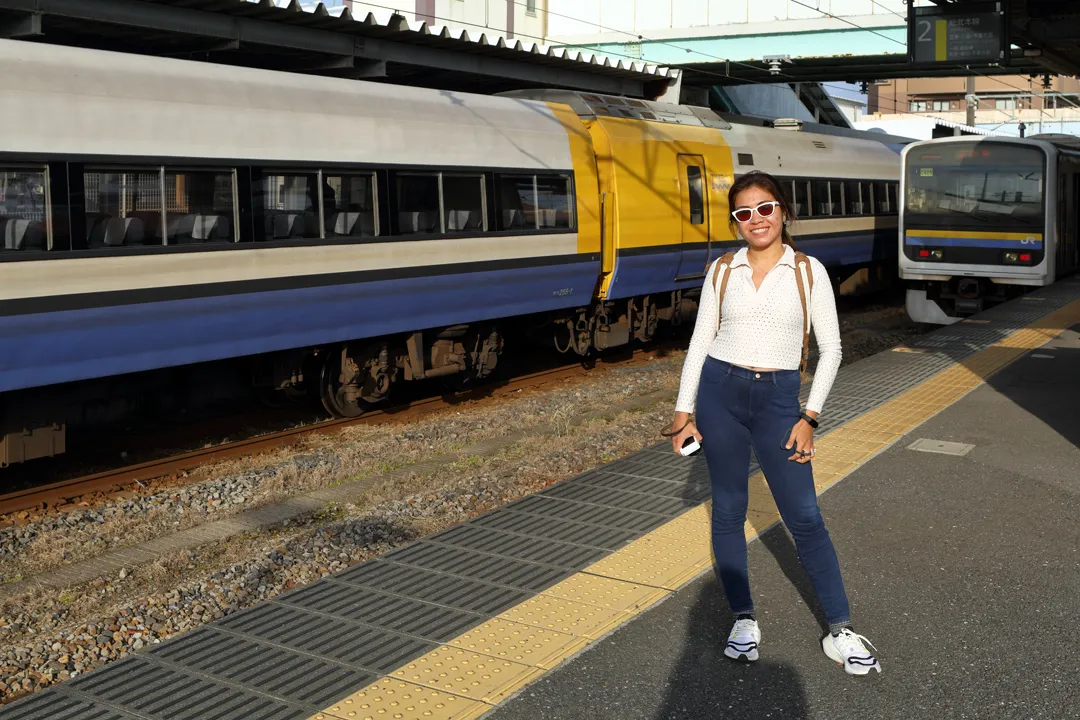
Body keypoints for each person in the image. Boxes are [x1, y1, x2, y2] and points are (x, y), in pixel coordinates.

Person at [668, 171, 881, 676]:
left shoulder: (808, 272)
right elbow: (700, 342)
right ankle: (743, 619)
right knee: (728, 509)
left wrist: (810, 416)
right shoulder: (723, 270)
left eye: (765, 208)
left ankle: (839, 627)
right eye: (744, 213)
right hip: (720, 394)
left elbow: (832, 350)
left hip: (780, 400)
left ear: (782, 211)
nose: (756, 220)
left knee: (804, 515)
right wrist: (683, 412)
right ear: (736, 223)